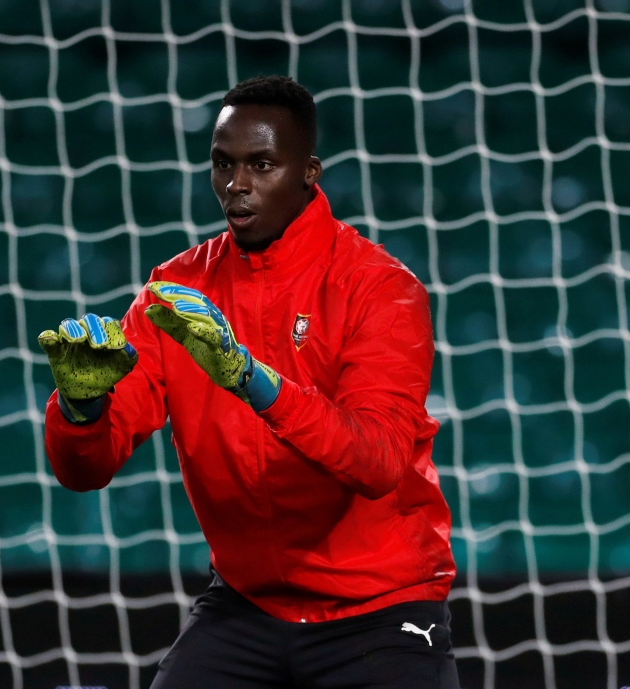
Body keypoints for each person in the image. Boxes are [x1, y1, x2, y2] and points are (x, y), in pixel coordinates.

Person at [38, 75, 459, 689]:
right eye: (223, 164)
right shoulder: (175, 295)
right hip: (247, 605)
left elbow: (378, 460)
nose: (237, 185)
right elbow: (85, 472)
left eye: (262, 164)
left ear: (309, 171)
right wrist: (79, 410)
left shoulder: (380, 288)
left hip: (381, 611)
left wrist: (250, 379)